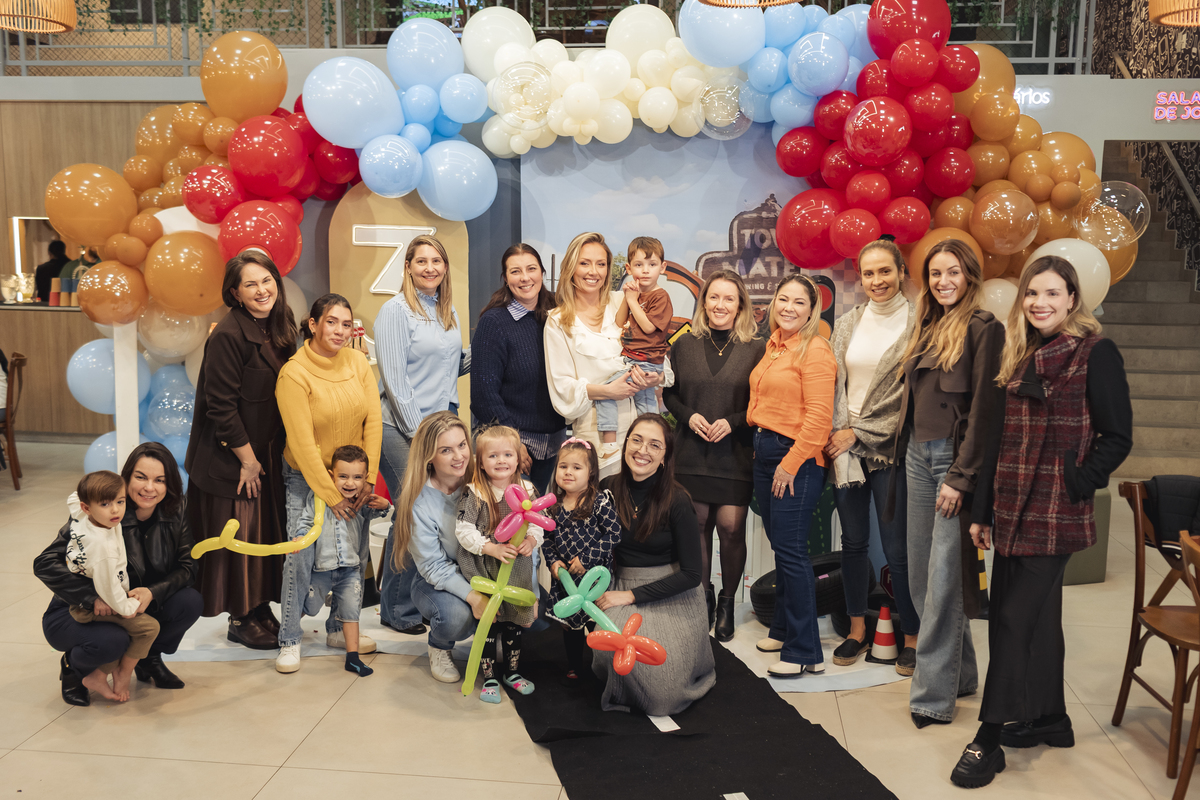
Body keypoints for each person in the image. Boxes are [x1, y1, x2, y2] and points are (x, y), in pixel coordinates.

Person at [950, 257, 1132, 788]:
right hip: (1010, 507)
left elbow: (1117, 436)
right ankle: (1051, 717)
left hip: (1055, 511)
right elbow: (996, 439)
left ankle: (988, 739)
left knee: (1011, 619)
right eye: (1032, 293)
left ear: (1073, 299)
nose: (1040, 303)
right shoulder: (1019, 352)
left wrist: (1078, 482)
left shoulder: (1095, 353)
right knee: (1039, 617)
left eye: (1052, 293)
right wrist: (982, 511)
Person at [894, 239, 1004, 729]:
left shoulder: (984, 327)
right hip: (917, 456)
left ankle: (932, 698)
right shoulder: (926, 324)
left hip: (952, 462)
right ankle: (963, 675)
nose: (943, 282)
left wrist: (961, 476)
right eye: (936, 273)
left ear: (970, 276)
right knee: (922, 578)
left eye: (953, 272)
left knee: (943, 580)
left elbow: (985, 409)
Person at [185, 253, 297, 649]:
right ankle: (240, 617)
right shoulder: (228, 335)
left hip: (267, 455)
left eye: (267, 280)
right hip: (232, 459)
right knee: (239, 539)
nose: (262, 290)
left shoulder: (280, 324)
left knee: (264, 535)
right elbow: (221, 407)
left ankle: (260, 606)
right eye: (251, 284)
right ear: (235, 293)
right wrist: (247, 461)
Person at [36, 442, 202, 706]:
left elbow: (187, 566)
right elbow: (45, 562)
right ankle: (74, 669)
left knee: (189, 602)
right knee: (113, 640)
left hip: (130, 605)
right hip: (77, 609)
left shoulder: (176, 508)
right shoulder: (103, 510)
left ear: (169, 483)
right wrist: (92, 597)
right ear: (126, 478)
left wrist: (152, 592)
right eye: (141, 477)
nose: (150, 488)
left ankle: (147, 659)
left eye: (159, 480)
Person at [276, 293, 383, 671]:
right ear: (313, 324)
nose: (340, 331)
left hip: (352, 478)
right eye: (332, 322)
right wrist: (328, 492)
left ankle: (338, 628)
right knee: (300, 557)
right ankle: (290, 638)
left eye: (346, 323)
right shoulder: (294, 372)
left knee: (354, 555)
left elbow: (373, 420)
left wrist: (367, 479)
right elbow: (301, 442)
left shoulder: (358, 362)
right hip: (306, 479)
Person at [826, 239, 918, 671]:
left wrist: (857, 433)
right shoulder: (848, 322)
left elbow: (908, 397)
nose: (877, 280)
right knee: (853, 543)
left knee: (897, 549)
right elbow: (834, 385)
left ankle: (912, 635)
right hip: (845, 451)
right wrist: (841, 431)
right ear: (859, 278)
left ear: (901, 272)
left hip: (889, 450)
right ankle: (857, 630)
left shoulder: (918, 323)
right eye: (869, 273)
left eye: (885, 271)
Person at [663, 269, 765, 642]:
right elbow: (669, 393)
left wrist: (734, 422)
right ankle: (702, 598)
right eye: (713, 297)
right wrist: (688, 416)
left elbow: (763, 401)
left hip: (735, 453)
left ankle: (727, 603)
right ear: (704, 302)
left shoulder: (758, 348)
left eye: (728, 299)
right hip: (690, 453)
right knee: (698, 527)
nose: (720, 305)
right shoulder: (684, 344)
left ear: (740, 306)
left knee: (732, 529)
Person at [375, 235, 470, 636]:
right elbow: (395, 382)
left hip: (441, 426)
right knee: (414, 513)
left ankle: (405, 601)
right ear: (408, 268)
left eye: (437, 261)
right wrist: (423, 438)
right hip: (403, 428)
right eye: (421, 261)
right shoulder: (395, 311)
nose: (430, 268)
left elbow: (450, 366)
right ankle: (397, 609)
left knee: (425, 514)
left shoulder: (447, 312)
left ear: (445, 268)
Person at [595, 414, 714, 715]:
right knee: (613, 655)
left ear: (665, 456)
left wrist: (630, 596)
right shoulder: (608, 488)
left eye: (654, 445)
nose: (642, 450)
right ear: (625, 444)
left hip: (672, 592)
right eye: (636, 440)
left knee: (663, 696)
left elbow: (692, 575)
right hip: (621, 585)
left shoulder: (678, 500)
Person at [748, 274, 837, 677]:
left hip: (795, 458)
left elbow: (819, 420)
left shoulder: (815, 350)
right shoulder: (773, 346)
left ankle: (804, 653)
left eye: (800, 302)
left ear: (812, 310)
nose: (789, 307)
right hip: (766, 453)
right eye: (783, 299)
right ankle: (783, 629)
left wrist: (790, 463)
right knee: (782, 548)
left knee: (791, 552)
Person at [545, 232, 664, 478]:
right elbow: (562, 388)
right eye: (585, 263)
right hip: (595, 434)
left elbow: (656, 349)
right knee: (600, 499)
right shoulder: (558, 321)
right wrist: (608, 391)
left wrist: (657, 377)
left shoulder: (625, 301)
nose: (593, 271)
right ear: (571, 267)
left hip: (641, 430)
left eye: (601, 264)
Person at [276, 445, 391, 676]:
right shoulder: (318, 498)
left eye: (357, 477)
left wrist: (385, 506)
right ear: (331, 476)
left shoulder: (361, 502)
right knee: (309, 606)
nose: (350, 483)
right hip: (322, 570)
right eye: (343, 476)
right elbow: (306, 521)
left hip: (350, 571)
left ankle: (353, 657)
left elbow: (376, 512)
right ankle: (288, 633)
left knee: (351, 613)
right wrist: (300, 537)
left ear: (365, 478)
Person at [390, 410, 486, 683]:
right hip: (437, 578)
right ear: (429, 456)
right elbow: (433, 566)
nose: (459, 456)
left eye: (462, 445)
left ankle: (496, 641)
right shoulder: (420, 503)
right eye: (446, 450)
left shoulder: (482, 479)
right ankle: (439, 646)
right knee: (455, 618)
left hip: (483, 570)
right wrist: (474, 596)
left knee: (536, 615)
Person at [471, 243, 566, 493]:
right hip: (510, 447)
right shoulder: (494, 322)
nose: (525, 278)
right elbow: (483, 394)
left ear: (542, 273)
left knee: (539, 514)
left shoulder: (559, 316)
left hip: (554, 444)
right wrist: (512, 441)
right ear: (505, 278)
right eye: (515, 271)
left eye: (531, 269)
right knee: (507, 515)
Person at [455, 425, 540, 703]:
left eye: (507, 454)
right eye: (493, 456)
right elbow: (463, 530)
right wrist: (490, 547)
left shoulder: (528, 490)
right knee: (489, 623)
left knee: (514, 623)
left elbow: (538, 523)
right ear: (480, 462)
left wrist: (531, 540)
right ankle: (489, 675)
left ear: (518, 458)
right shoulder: (475, 492)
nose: (501, 461)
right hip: (486, 567)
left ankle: (512, 673)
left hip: (516, 569)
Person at [63, 471, 161, 702]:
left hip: (94, 593)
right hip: (95, 603)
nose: (116, 510)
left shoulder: (81, 514)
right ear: (87, 507)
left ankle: (104, 673)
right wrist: (129, 606)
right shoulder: (102, 549)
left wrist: (102, 489)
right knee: (149, 628)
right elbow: (109, 591)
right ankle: (114, 673)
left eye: (120, 501)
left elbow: (73, 498)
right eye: (105, 504)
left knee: (124, 631)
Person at [543, 437, 622, 680]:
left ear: (591, 473)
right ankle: (575, 666)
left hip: (595, 580)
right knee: (570, 626)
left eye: (576, 467)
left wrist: (586, 560)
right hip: (566, 581)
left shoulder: (599, 501)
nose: (568, 472)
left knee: (595, 622)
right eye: (563, 466)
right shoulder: (553, 506)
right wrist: (553, 562)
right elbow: (546, 539)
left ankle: (603, 665)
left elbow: (614, 534)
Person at [597, 237, 673, 457]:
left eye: (652, 264)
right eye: (639, 265)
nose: (645, 270)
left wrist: (632, 300)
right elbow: (620, 321)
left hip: (644, 361)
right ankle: (652, 448)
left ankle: (609, 446)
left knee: (606, 392)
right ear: (629, 268)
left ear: (662, 267)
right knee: (647, 409)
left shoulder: (661, 296)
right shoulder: (634, 294)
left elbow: (649, 327)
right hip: (634, 359)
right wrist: (628, 298)